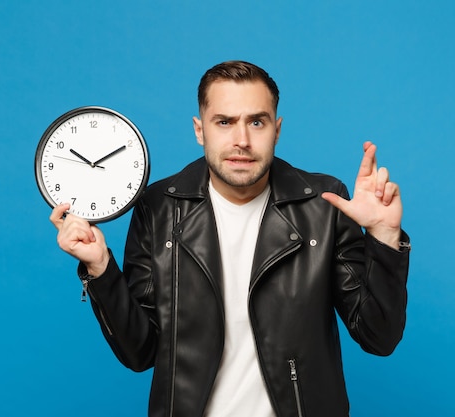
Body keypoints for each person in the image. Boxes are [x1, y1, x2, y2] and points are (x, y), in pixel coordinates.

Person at [50, 60, 410, 417]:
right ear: (199, 130)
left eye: (257, 122)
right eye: (224, 122)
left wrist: (383, 236)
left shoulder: (324, 203)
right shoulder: (159, 208)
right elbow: (140, 353)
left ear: (277, 129)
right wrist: (100, 267)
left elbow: (378, 337)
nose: (242, 140)